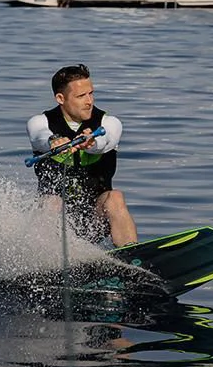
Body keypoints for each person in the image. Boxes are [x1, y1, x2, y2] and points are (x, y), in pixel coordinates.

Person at [27, 64, 137, 247]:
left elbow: (107, 140)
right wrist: (53, 141)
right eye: (81, 96)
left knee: (115, 197)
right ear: (60, 98)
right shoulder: (40, 122)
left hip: (95, 220)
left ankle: (131, 255)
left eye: (91, 93)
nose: (89, 101)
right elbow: (39, 136)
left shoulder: (109, 123)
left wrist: (92, 144)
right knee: (51, 202)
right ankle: (43, 261)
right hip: (56, 225)